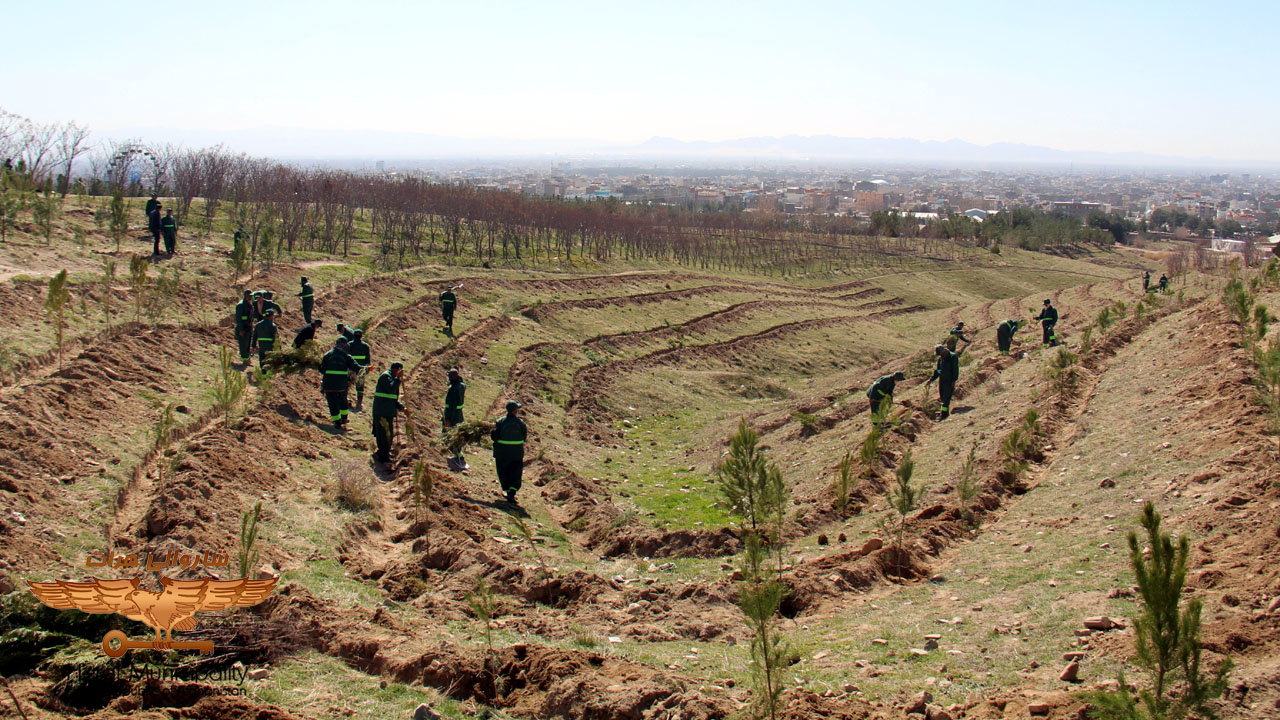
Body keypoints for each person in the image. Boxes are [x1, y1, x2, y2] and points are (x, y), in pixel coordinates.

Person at [371, 362, 409, 466]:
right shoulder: (386, 377)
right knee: (384, 434)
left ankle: (384, 453)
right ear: (396, 370)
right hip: (382, 411)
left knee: (387, 434)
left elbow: (393, 398)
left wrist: (402, 407)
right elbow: (391, 389)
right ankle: (383, 456)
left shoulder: (392, 377)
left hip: (387, 410)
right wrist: (398, 379)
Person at [491, 400, 527, 504]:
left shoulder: (500, 422)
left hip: (501, 453)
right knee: (515, 472)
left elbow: (494, 437)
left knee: (503, 471)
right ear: (515, 411)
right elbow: (524, 437)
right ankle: (512, 492)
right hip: (516, 454)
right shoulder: (521, 423)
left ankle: (506, 490)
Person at [320, 337, 360, 429]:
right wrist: (367, 369)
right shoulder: (346, 356)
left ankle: (337, 423)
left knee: (332, 403)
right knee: (343, 401)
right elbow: (356, 367)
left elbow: (322, 370)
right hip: (342, 384)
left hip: (329, 384)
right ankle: (344, 419)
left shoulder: (327, 355)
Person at [925, 344, 962, 421]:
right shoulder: (941, 359)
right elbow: (938, 371)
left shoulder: (952, 357)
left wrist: (954, 380)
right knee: (942, 397)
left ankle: (943, 415)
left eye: (940, 354)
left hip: (949, 381)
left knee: (946, 398)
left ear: (943, 351)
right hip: (942, 380)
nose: (940, 355)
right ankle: (945, 412)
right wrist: (931, 379)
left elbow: (955, 370)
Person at [443, 368, 466, 466]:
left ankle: (456, 455)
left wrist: (448, 419)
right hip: (459, 414)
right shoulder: (462, 386)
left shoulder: (452, 390)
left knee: (448, 434)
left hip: (452, 414)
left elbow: (452, 406)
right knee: (457, 434)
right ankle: (458, 454)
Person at [348, 329, 371, 412]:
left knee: (348, 384)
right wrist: (367, 368)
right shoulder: (365, 346)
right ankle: (359, 403)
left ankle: (346, 400)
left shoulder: (349, 345)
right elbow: (367, 360)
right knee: (360, 387)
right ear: (361, 336)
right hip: (361, 369)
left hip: (351, 369)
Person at [234, 289, 255, 365]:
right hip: (243, 328)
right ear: (245, 295)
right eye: (249, 296)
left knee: (248, 344)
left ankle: (248, 358)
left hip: (248, 328)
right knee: (243, 344)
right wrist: (241, 330)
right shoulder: (241, 305)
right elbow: (238, 319)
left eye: (251, 296)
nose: (250, 297)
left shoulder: (250, 304)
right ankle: (244, 359)